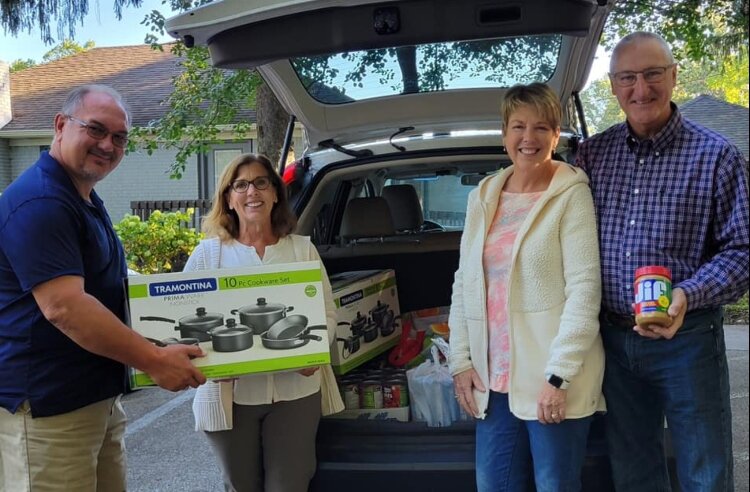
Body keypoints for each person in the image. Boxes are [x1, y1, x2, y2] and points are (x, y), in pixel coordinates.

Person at [0, 85, 206, 491]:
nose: (108, 145)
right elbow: (65, 308)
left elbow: (109, 286)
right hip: (49, 410)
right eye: (96, 130)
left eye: (119, 137)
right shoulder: (41, 201)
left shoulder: (83, 197)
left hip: (94, 400)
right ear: (61, 126)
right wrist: (155, 360)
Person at [575, 32, 749, 491]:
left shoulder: (716, 156)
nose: (641, 88)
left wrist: (687, 294)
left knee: (704, 470)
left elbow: (742, 251)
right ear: (613, 86)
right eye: (627, 77)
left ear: (673, 77)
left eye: (653, 74)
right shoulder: (593, 155)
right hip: (611, 339)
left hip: (687, 339)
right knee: (633, 472)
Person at [449, 82, 605, 492]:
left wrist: (558, 377)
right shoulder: (484, 194)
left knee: (555, 486)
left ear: (556, 135)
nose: (528, 138)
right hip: (493, 379)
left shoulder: (571, 194)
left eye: (541, 127)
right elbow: (465, 280)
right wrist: (461, 361)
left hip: (551, 379)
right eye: (518, 126)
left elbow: (585, 290)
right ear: (504, 134)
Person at [187, 153, 338, 492]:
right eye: (240, 185)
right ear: (228, 198)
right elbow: (184, 328)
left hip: (296, 395)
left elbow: (328, 314)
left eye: (260, 182)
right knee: (241, 486)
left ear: (275, 193)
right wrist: (211, 365)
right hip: (231, 397)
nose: (251, 192)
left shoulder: (302, 251)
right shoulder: (208, 256)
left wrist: (313, 352)